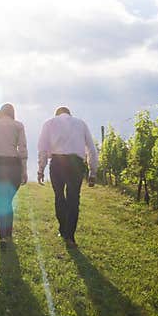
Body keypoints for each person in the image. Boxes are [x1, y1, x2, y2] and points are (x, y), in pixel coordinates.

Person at [37, 106, 98, 247]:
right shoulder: (81, 123)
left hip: (57, 163)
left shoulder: (49, 123)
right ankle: (70, 235)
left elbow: (42, 148)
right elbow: (91, 149)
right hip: (75, 164)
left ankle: (63, 229)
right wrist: (92, 172)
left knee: (59, 197)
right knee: (73, 199)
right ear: (69, 114)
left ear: (57, 114)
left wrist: (41, 169)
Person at [0, 103, 28, 248]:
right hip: (13, 165)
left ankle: (3, 236)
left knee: (1, 202)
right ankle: (7, 235)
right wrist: (24, 170)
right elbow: (22, 149)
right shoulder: (18, 125)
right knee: (8, 201)